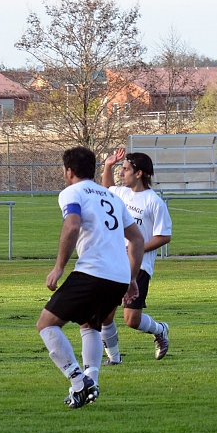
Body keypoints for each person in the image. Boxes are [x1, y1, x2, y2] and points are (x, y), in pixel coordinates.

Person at [36, 146, 145, 409]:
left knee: (47, 325)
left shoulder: (72, 192)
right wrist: (131, 278)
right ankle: (91, 382)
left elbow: (72, 225)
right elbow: (137, 239)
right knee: (89, 324)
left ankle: (78, 381)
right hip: (117, 275)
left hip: (93, 271)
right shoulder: (112, 197)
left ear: (69, 171)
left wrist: (59, 267)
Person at [100, 148, 172, 362]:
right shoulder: (121, 193)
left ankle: (160, 330)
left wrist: (137, 248)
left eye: (126, 169)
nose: (122, 174)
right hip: (114, 263)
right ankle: (114, 358)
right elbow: (106, 187)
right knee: (105, 314)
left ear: (139, 173)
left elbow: (164, 236)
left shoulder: (153, 202)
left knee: (131, 319)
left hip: (138, 266)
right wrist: (108, 165)